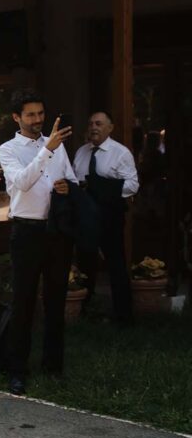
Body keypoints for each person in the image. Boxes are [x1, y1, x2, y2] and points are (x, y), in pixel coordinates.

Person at [0, 88, 76, 395]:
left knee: (56, 299)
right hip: (26, 231)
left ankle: (53, 366)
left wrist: (67, 186)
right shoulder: (8, 149)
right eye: (30, 114)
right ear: (17, 117)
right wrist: (47, 151)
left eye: (40, 113)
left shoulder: (57, 145)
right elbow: (22, 182)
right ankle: (17, 370)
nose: (37, 120)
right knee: (24, 301)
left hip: (56, 230)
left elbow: (72, 178)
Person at [72, 110, 139, 322]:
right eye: (91, 123)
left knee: (115, 264)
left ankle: (123, 316)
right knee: (85, 262)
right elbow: (74, 180)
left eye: (99, 124)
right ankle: (85, 311)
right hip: (85, 215)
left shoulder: (120, 153)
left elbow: (132, 185)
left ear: (110, 128)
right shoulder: (81, 152)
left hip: (110, 214)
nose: (94, 127)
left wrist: (103, 188)